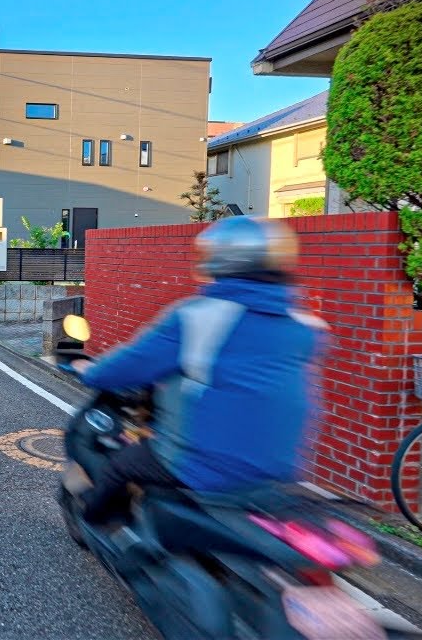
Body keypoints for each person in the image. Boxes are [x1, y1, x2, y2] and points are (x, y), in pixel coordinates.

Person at [65, 215, 327, 523]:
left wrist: (90, 370)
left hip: (201, 462)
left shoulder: (200, 317)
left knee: (120, 466)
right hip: (281, 470)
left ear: (221, 259)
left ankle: (95, 523)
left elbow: (134, 361)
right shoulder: (304, 326)